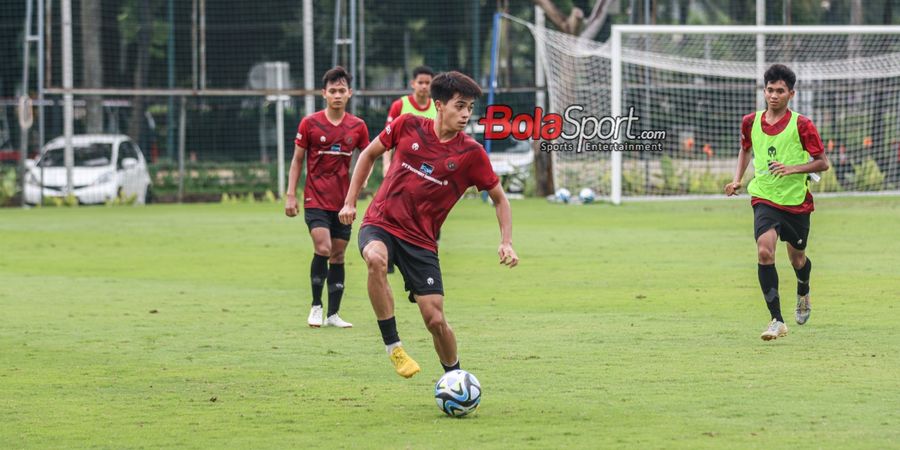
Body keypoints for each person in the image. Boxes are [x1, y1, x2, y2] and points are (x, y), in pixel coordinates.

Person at [339, 71, 518, 378]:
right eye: (459, 106)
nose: (465, 114)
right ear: (439, 105)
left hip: (421, 242)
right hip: (381, 222)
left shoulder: (471, 153)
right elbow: (369, 154)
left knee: (435, 320)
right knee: (375, 258)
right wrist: (350, 201)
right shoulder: (407, 125)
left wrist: (506, 241)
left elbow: (500, 199)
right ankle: (393, 347)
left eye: (469, 108)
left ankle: (455, 377)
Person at [724, 64, 830, 341]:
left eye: (780, 91)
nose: (773, 95)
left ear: (791, 94)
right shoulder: (750, 121)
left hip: (796, 202)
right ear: (764, 91)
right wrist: (737, 180)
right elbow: (745, 149)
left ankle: (803, 288)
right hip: (764, 197)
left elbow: (823, 163)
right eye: (770, 90)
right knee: (764, 252)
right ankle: (777, 320)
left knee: (797, 260)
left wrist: (792, 168)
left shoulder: (803, 124)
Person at [285, 66, 370, 329]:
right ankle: (316, 307)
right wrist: (291, 195)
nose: (337, 95)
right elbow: (298, 160)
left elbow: (368, 156)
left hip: (344, 202)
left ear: (349, 94)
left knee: (339, 256)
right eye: (332, 90)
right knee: (323, 248)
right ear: (324, 93)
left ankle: (333, 314)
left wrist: (363, 179)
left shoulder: (357, 126)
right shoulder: (309, 123)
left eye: (341, 90)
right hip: (315, 199)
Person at [382, 65, 436, 176]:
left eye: (427, 83)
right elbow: (387, 137)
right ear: (413, 83)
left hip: (428, 167)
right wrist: (386, 164)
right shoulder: (399, 105)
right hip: (402, 165)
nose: (424, 86)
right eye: (420, 83)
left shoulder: (437, 107)